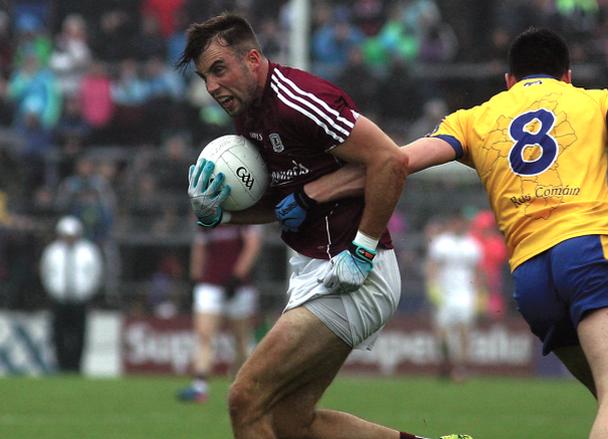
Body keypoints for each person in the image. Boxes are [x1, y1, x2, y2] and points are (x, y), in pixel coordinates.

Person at [276, 27, 608, 439]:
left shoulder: (474, 119)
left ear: (508, 80)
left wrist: (314, 192)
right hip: (590, 252)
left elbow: (396, 161)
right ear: (567, 76)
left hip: (531, 278)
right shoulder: (596, 101)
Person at [178, 12, 469, 439]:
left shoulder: (299, 99)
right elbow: (283, 202)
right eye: (206, 77)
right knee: (291, 422)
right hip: (316, 267)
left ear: (253, 59)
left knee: (245, 397)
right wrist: (221, 215)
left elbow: (390, 161)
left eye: (219, 69)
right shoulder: (249, 116)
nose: (213, 87)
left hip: (353, 270)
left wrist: (363, 249)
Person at [177, 224, 264, 403]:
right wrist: (195, 277)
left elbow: (252, 245)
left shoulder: (245, 216)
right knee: (204, 335)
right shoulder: (208, 217)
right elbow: (199, 248)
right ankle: (199, 387)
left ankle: (239, 388)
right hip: (209, 285)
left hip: (239, 288)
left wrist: (237, 276)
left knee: (241, 339)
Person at [39, 216, 103, 373]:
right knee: (58, 335)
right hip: (59, 300)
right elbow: (45, 274)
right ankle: (61, 366)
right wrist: (54, 291)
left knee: (79, 335)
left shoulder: (88, 251)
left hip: (80, 300)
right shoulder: (52, 252)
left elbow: (95, 274)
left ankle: (76, 367)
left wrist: (86, 292)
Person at [425, 212, 483, 382]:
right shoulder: (442, 243)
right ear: (452, 223)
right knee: (442, 332)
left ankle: (460, 368)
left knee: (465, 330)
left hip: (466, 293)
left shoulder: (472, 245)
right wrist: (432, 287)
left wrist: (480, 292)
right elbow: (432, 266)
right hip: (445, 293)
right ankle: (446, 363)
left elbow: (478, 270)